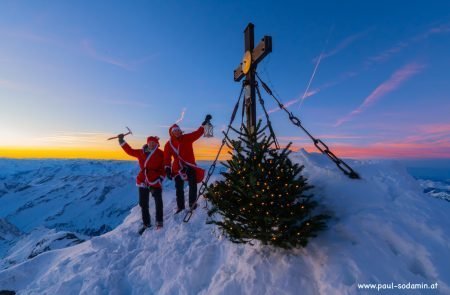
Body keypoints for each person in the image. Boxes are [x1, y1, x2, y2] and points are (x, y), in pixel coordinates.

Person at [164, 114, 212, 213]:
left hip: (189, 165)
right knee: (179, 188)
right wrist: (168, 169)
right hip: (177, 168)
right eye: (175, 131)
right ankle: (180, 207)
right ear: (171, 133)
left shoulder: (187, 138)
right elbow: (167, 158)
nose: (177, 132)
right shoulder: (168, 144)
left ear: (180, 131)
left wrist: (205, 123)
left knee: (192, 183)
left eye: (178, 130)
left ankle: (192, 204)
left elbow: (197, 133)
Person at [118, 134, 165, 234]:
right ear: (147, 143)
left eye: (154, 143)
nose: (152, 144)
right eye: (150, 143)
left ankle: (159, 221)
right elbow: (129, 151)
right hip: (142, 180)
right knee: (143, 204)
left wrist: (160, 178)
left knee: (158, 201)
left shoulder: (161, 154)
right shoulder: (140, 152)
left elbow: (163, 167)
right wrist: (121, 141)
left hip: (155, 179)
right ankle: (146, 223)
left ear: (157, 144)